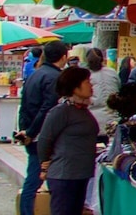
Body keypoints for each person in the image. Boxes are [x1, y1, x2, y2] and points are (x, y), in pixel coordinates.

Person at [15, 41, 68, 215]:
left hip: (33, 133)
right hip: (42, 136)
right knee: (37, 179)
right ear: (63, 57)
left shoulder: (35, 74)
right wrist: (31, 132)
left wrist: (25, 130)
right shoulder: (54, 77)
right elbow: (47, 109)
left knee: (35, 179)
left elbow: (24, 105)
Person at [37, 67, 98, 215]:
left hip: (81, 174)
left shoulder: (83, 110)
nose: (91, 85)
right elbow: (44, 140)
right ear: (75, 87)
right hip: (64, 176)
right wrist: (45, 163)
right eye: (87, 82)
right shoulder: (61, 111)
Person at [84, 48, 121, 141]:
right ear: (102, 59)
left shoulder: (86, 77)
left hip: (92, 121)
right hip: (113, 119)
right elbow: (119, 88)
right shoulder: (112, 73)